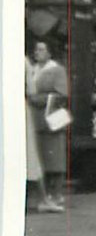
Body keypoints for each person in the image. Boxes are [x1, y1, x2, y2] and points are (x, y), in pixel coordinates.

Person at [25, 41, 69, 212]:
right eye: (36, 49)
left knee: (54, 158)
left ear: (50, 52)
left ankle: (56, 194)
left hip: (49, 118)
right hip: (33, 119)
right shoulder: (32, 68)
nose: (38, 52)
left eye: (42, 49)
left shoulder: (56, 69)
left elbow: (61, 94)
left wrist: (36, 99)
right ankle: (39, 196)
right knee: (39, 157)